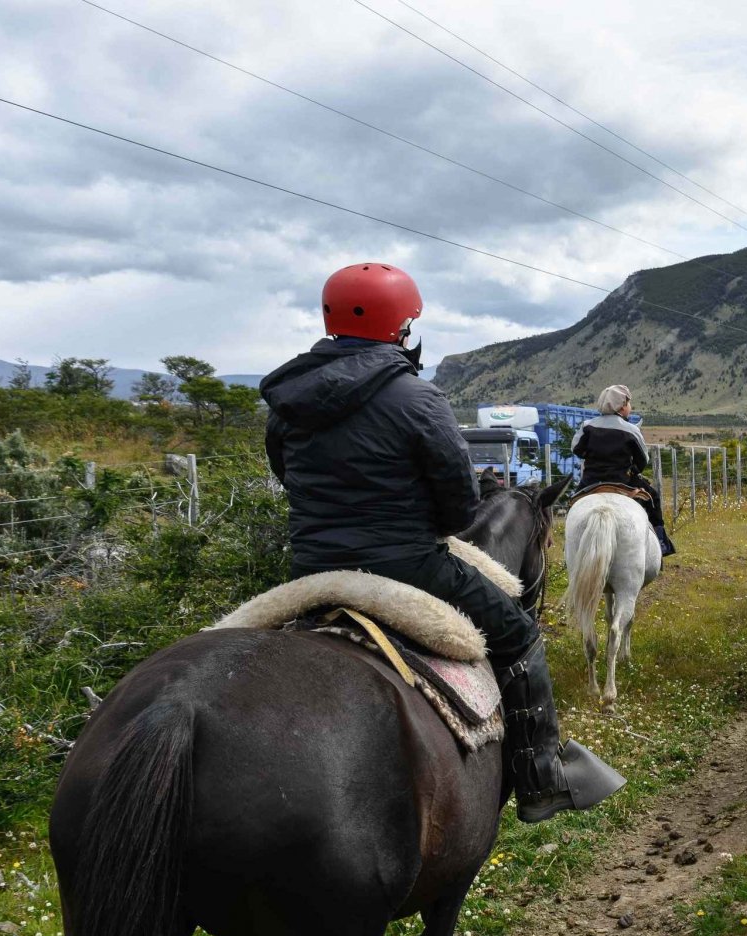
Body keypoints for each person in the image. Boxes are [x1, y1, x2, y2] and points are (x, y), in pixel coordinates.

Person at [261, 262, 626, 821]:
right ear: (402, 326)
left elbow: (289, 477)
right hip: (406, 565)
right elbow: (459, 508)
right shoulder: (417, 398)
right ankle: (542, 779)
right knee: (519, 632)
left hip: (311, 568)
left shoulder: (288, 402)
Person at [571, 384, 676, 557]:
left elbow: (576, 449)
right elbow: (643, 459)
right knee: (653, 498)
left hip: (590, 480)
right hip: (623, 480)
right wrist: (633, 468)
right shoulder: (631, 430)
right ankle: (661, 542)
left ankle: (570, 545)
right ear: (622, 406)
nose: (629, 406)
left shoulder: (587, 426)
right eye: (629, 403)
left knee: (573, 504)